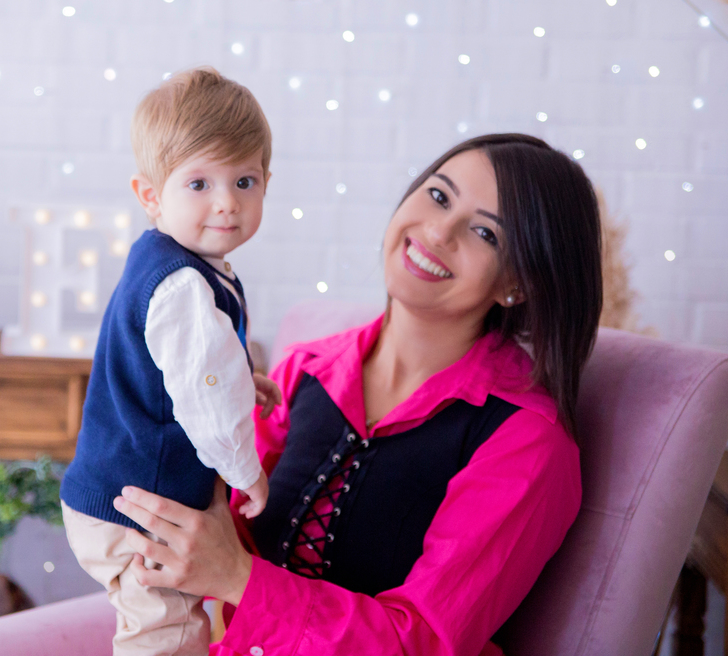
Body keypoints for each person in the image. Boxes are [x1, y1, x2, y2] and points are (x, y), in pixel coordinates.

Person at [113, 134, 603, 655]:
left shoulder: (527, 441)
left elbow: (425, 642)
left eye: (485, 232)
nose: (438, 231)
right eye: (438, 196)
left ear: (518, 284)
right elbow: (226, 524)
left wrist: (239, 578)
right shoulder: (305, 370)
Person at [60, 67, 283, 655]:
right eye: (199, 184)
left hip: (119, 493)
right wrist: (246, 472)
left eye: (245, 180)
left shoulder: (175, 260)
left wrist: (243, 379)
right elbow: (206, 390)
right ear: (151, 195)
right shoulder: (181, 283)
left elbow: (188, 368)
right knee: (166, 630)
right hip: (139, 509)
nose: (227, 203)